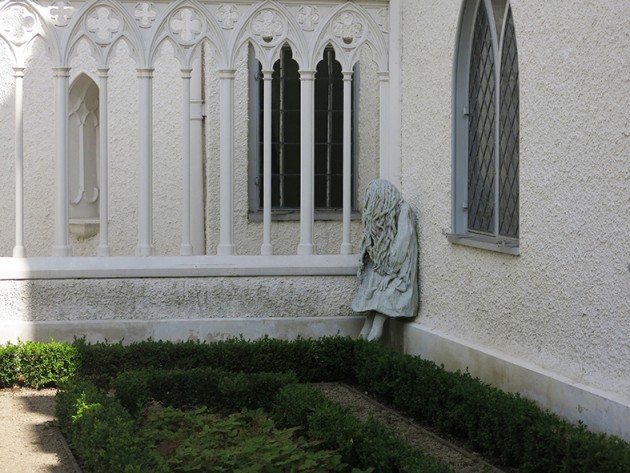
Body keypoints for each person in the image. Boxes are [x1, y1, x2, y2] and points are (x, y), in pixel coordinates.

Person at [352, 179, 418, 341]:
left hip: (398, 272)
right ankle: (361, 349)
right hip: (385, 268)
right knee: (371, 314)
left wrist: (390, 274)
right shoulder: (388, 214)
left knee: (378, 315)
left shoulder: (404, 210)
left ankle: (367, 351)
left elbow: (401, 245)